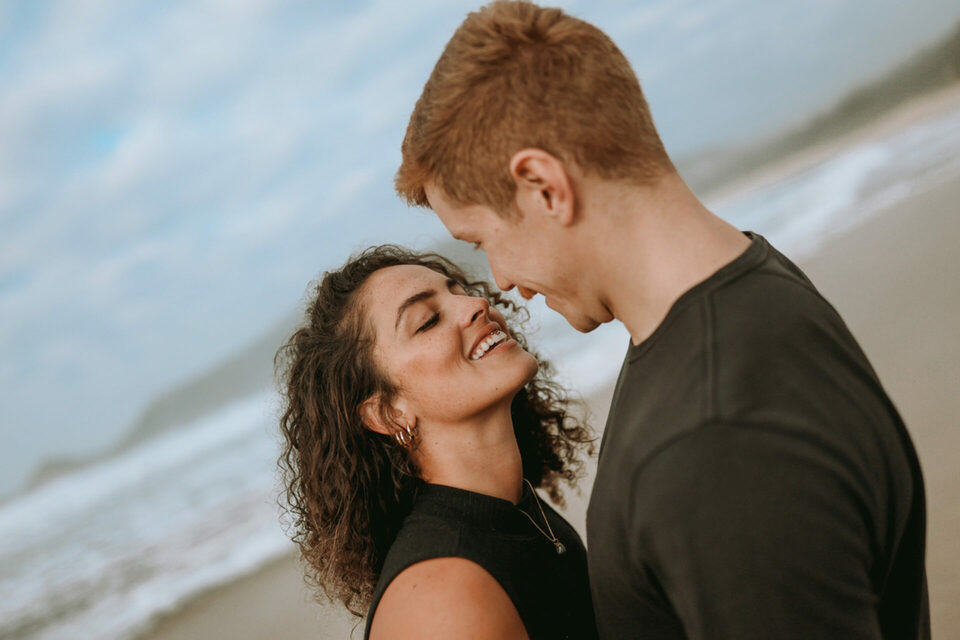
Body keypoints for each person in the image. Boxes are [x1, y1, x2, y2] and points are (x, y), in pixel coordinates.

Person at [395, 2, 929, 639]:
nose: (501, 279)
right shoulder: (751, 281)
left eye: (482, 240)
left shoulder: (714, 445)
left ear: (544, 186)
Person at [275, 245, 598, 640]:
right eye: (428, 321)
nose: (477, 304)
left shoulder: (513, 505)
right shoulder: (445, 597)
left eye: (460, 290)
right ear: (388, 413)